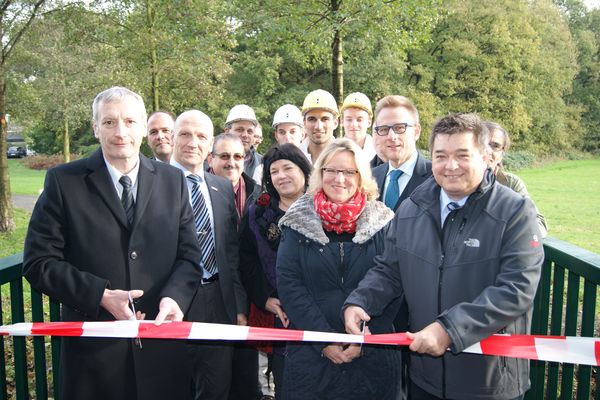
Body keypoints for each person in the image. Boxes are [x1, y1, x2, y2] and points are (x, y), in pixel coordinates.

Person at [344, 112, 544, 400]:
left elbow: (517, 289)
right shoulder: (411, 209)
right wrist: (360, 301)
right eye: (440, 156)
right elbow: (389, 270)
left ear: (485, 156)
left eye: (462, 155)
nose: (451, 166)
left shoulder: (515, 212)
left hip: (489, 383)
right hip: (424, 379)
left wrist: (449, 329)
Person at [22, 87, 203, 400]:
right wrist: (100, 295)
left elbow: (189, 258)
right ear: (95, 127)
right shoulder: (64, 182)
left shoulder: (173, 181)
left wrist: (175, 298)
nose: (120, 132)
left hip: (162, 355)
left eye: (130, 122)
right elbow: (39, 263)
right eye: (109, 122)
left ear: (144, 126)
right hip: (95, 360)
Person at [277, 138, 401, 399]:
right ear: (320, 173)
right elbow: (289, 284)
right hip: (311, 358)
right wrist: (325, 341)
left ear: (361, 177)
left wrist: (365, 337)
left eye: (348, 171)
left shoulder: (383, 221)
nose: (339, 179)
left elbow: (394, 281)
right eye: (331, 170)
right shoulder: (296, 222)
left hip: (373, 354)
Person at [170, 110, 248, 400]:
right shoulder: (154, 184)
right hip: (173, 304)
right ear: (173, 138)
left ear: (210, 143)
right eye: (185, 134)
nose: (193, 142)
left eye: (201, 136)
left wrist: (239, 304)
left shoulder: (222, 188)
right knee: (173, 385)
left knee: (216, 388)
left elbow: (231, 253)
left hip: (218, 300)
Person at [239, 144, 312, 399]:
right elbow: (246, 260)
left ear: (304, 170)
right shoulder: (257, 212)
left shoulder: (324, 207)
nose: (281, 175)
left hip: (322, 316)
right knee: (286, 386)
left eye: (287, 168)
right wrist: (264, 297)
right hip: (281, 319)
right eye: (274, 171)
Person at [486, 121, 548, 237]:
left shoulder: (511, 183)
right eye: (484, 144)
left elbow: (538, 224)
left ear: (502, 154)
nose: (489, 151)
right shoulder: (457, 181)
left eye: (495, 146)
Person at [371, 95, 432, 212]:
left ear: (416, 131)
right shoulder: (371, 177)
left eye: (399, 128)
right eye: (384, 129)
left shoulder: (435, 177)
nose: (391, 137)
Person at [209, 133, 261, 219]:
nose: (231, 163)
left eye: (237, 156)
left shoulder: (258, 194)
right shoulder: (197, 191)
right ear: (210, 159)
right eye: (224, 156)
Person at [224, 104, 262, 183]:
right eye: (240, 130)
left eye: (249, 131)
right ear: (227, 131)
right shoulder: (210, 161)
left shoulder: (263, 164)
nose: (245, 135)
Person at [300, 89, 338, 164]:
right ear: (304, 123)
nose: (318, 127)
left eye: (325, 119)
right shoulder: (294, 158)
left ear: (335, 123)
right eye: (312, 119)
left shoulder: (345, 158)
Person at [340, 92, 376, 161]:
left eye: (359, 120)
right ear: (342, 121)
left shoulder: (379, 152)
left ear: (369, 122)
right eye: (349, 119)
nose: (354, 124)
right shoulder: (332, 152)